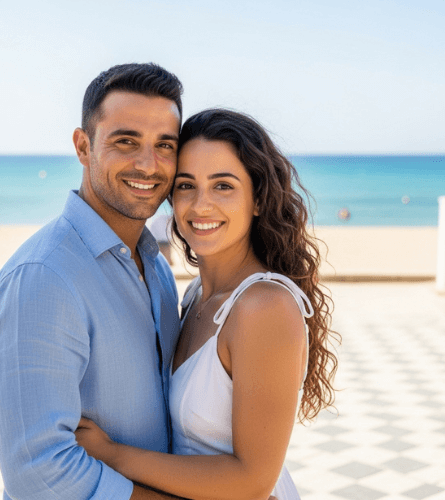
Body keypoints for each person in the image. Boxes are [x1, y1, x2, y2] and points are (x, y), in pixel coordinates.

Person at [75, 109, 340, 499]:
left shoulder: (263, 306)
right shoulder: (195, 293)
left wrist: (112, 455)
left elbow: (253, 481)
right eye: (186, 186)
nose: (200, 206)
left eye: (223, 186)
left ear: (258, 200)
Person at [0, 63, 185, 499]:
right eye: (126, 141)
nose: (148, 165)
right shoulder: (42, 279)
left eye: (164, 145)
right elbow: (39, 475)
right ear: (83, 146)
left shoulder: (159, 270)